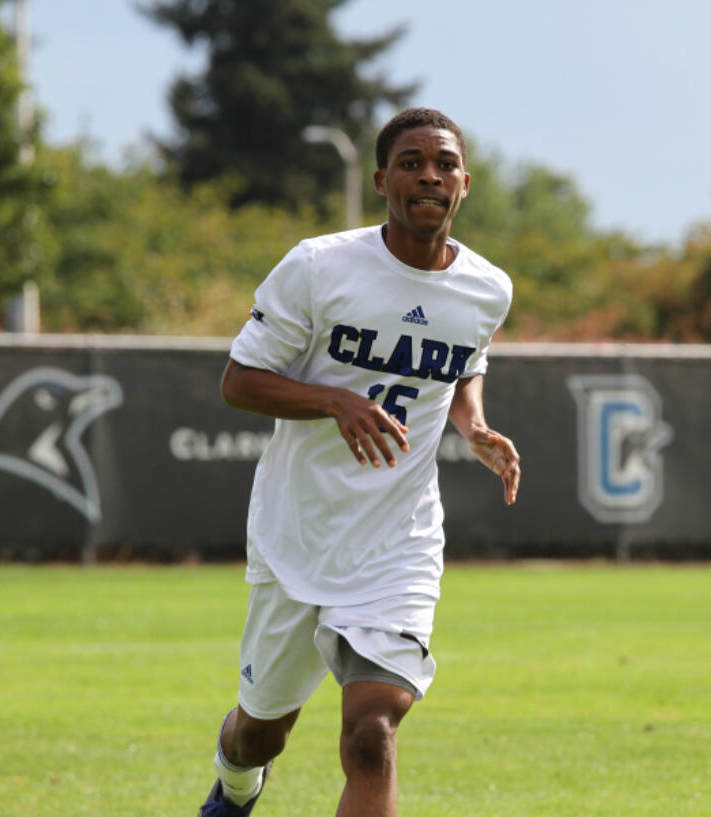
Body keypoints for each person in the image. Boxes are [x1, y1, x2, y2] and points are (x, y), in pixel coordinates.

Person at [197, 107, 520, 817]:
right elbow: (239, 382)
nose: (428, 174)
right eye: (410, 162)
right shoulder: (319, 265)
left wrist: (475, 423)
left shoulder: (488, 288)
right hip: (296, 535)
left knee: (373, 733)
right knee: (261, 732)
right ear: (383, 180)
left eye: (443, 162)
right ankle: (235, 785)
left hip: (394, 545)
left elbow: (464, 362)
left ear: (463, 182)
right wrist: (334, 401)